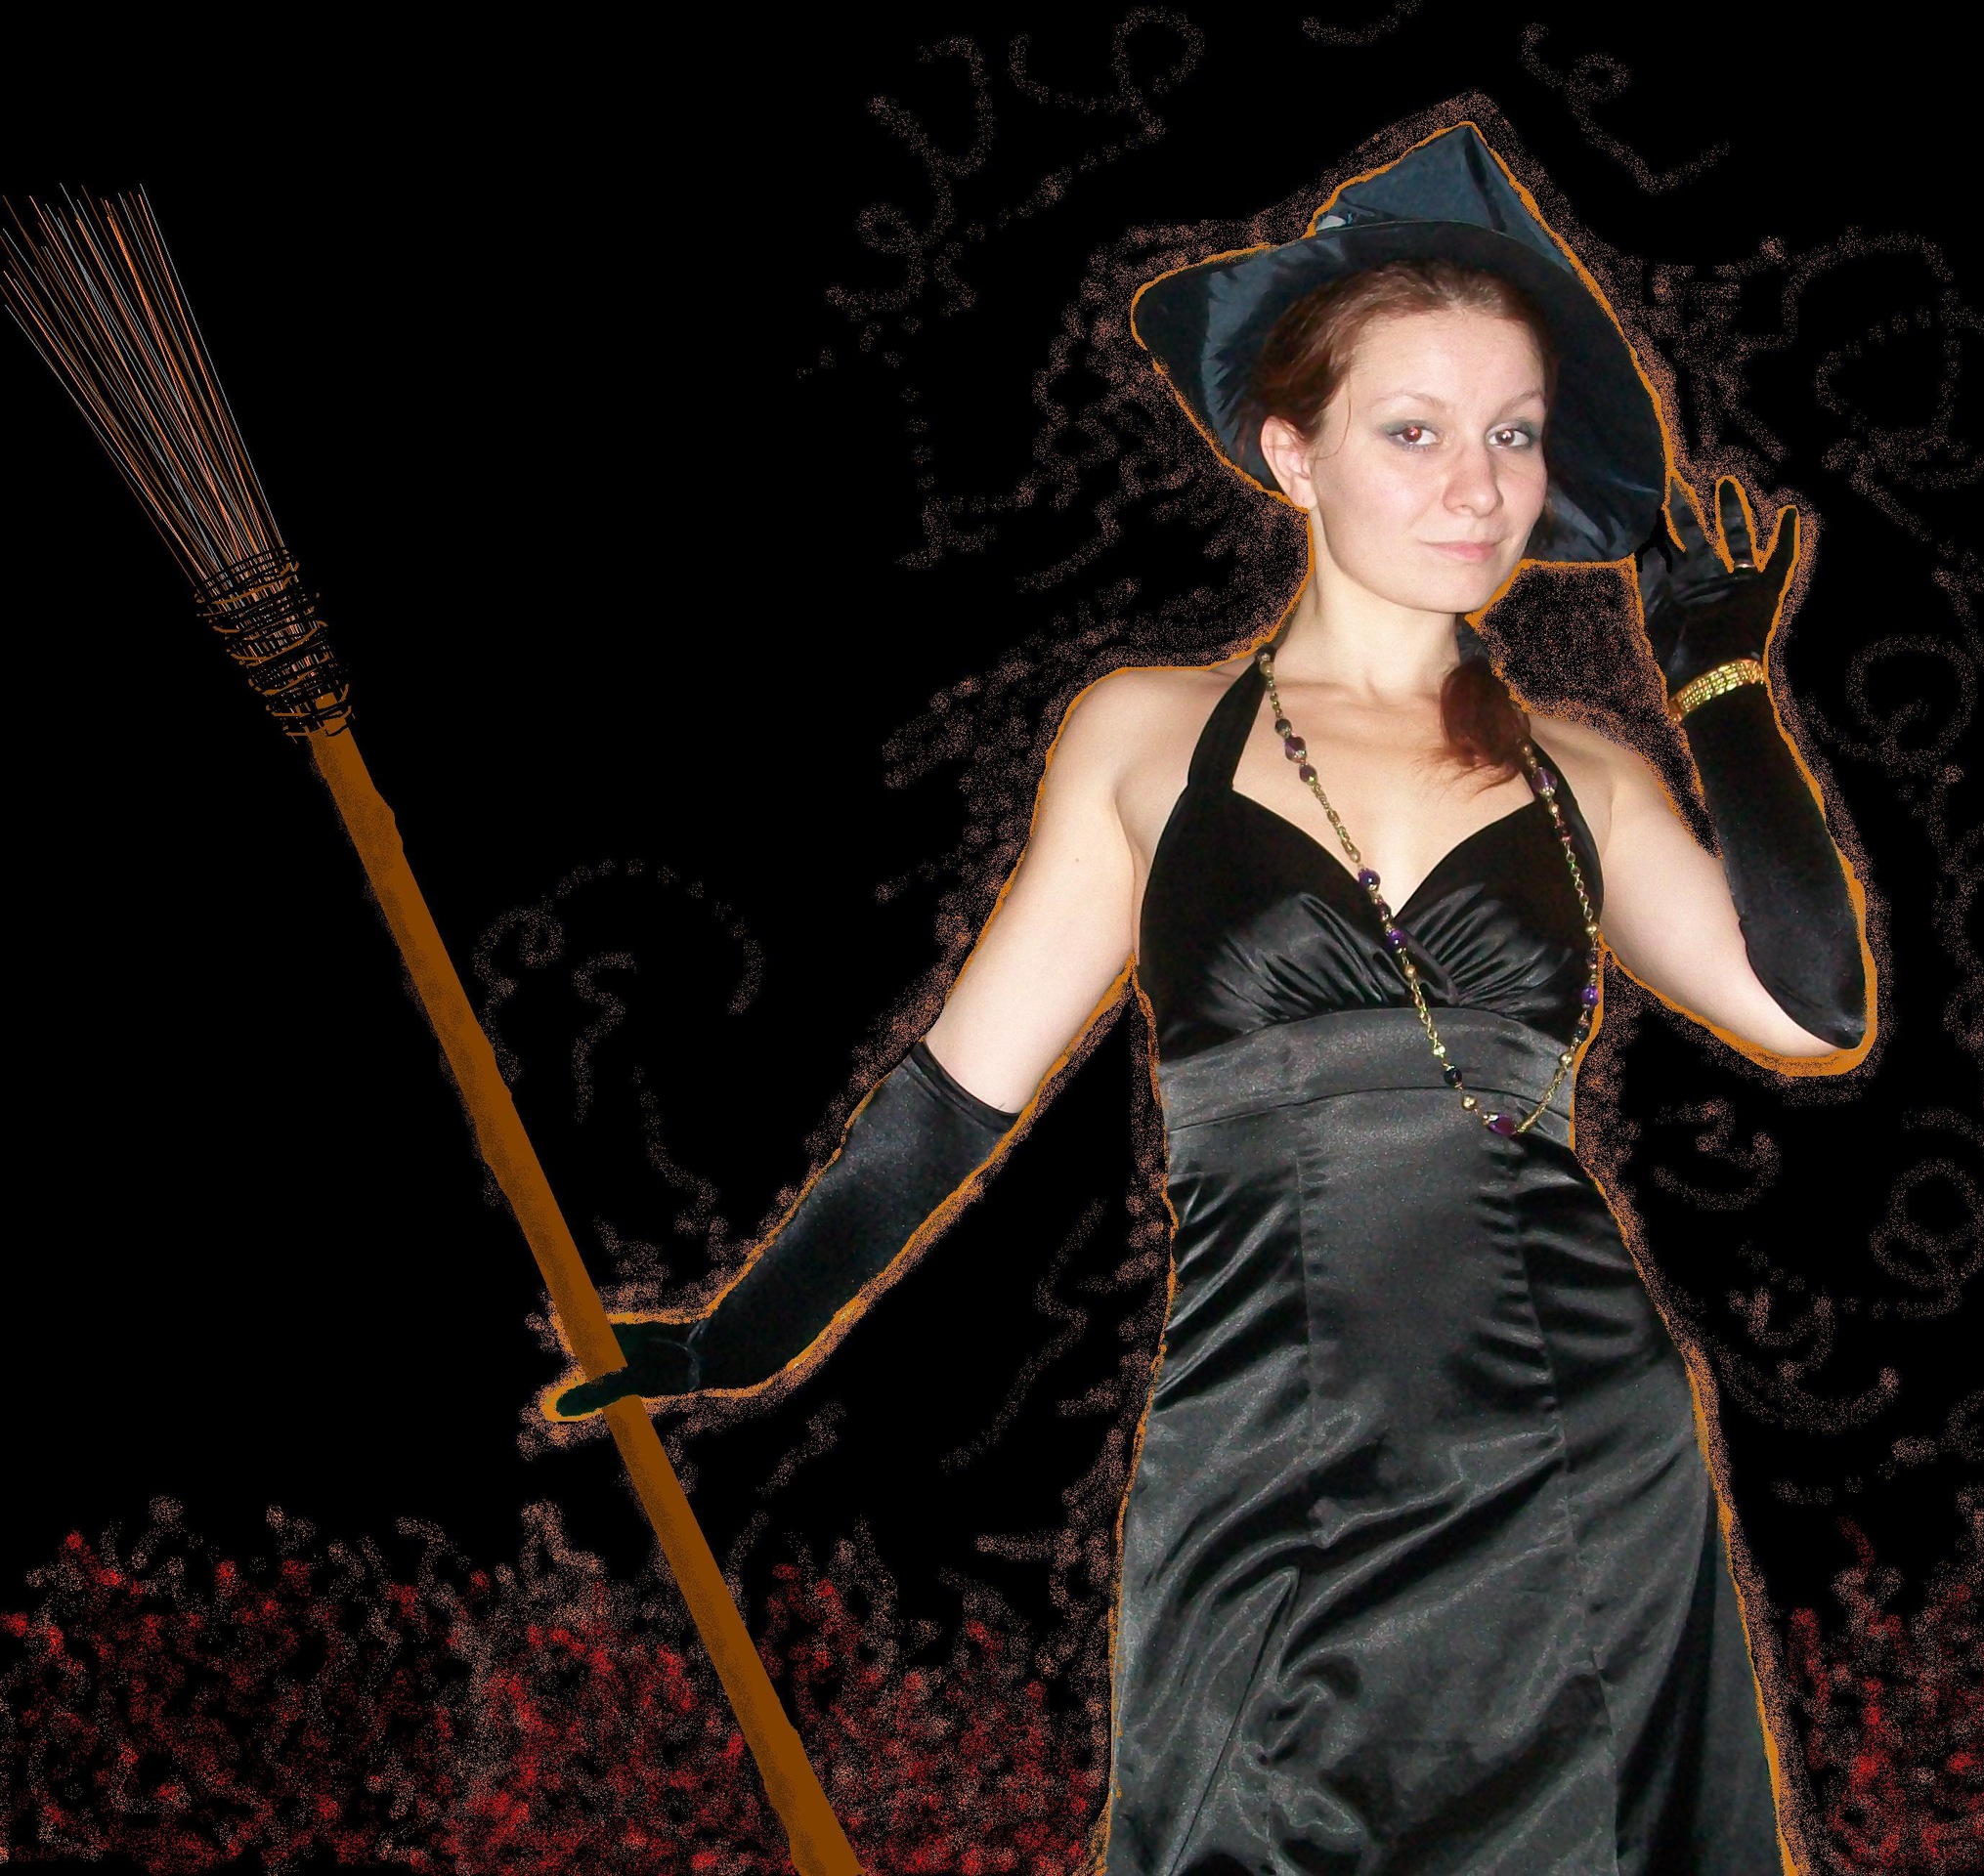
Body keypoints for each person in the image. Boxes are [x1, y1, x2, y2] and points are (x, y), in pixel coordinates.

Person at [554, 122, 1870, 1875]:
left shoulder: (1585, 774)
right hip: (1264, 1446)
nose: (1477, 488)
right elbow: (952, 1099)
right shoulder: (1146, 735)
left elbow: (1812, 1009)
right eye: (1414, 431)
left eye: (1513, 434)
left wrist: (1720, 686)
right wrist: (739, 1338)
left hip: (1575, 1451)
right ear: (1289, 452)